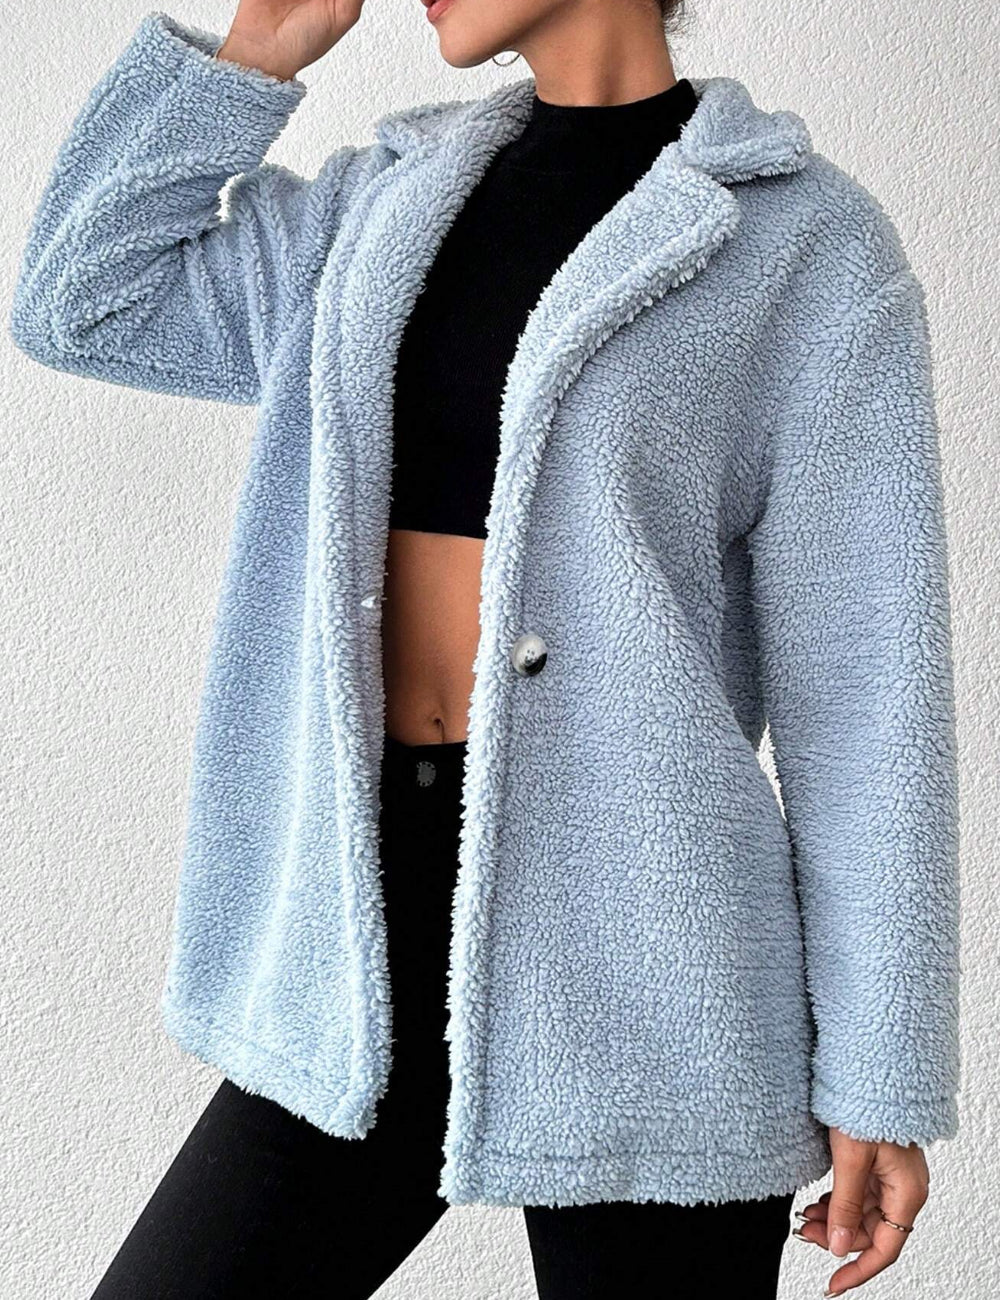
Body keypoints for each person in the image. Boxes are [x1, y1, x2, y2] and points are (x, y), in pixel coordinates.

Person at [9, 0, 961, 1296]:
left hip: (654, 969)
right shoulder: (378, 207)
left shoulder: (808, 249)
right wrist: (250, 60)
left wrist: (878, 1072)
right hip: (358, 941)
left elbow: (867, 696)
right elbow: (81, 300)